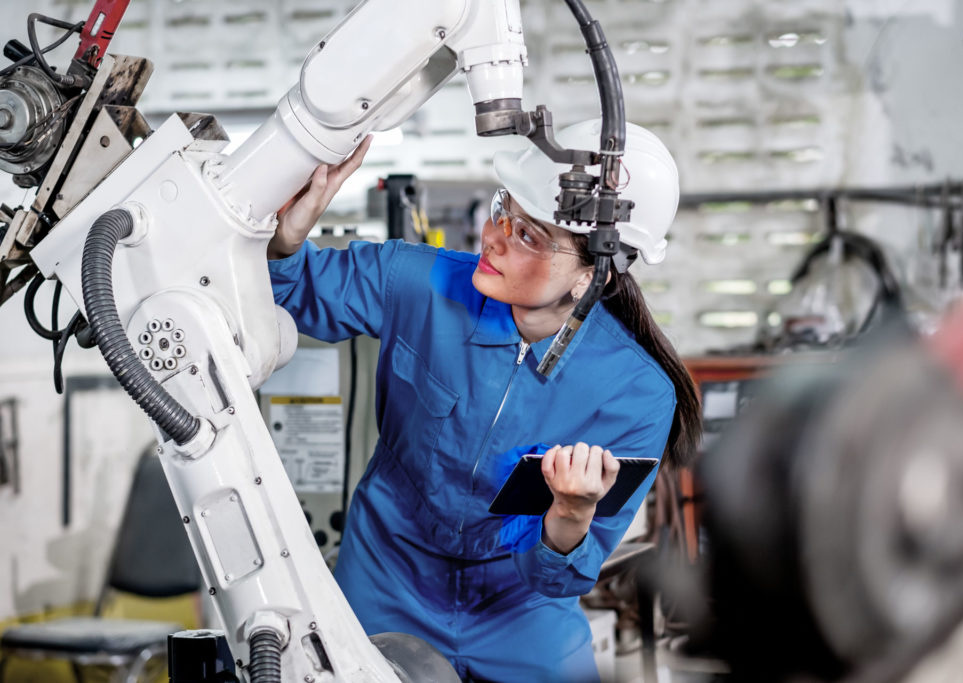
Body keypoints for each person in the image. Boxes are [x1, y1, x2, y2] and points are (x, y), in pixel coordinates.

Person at [267, 119, 701, 682]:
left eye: (529, 235)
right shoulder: (418, 283)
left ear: (589, 276)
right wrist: (286, 236)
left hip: (520, 608)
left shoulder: (637, 393)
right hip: (387, 576)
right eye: (504, 209)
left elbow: (563, 574)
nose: (494, 235)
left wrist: (569, 513)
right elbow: (289, 289)